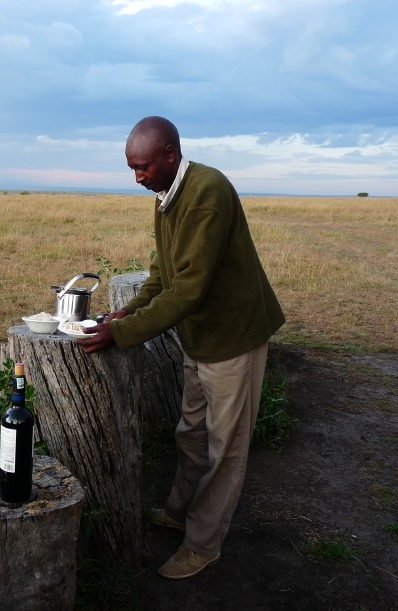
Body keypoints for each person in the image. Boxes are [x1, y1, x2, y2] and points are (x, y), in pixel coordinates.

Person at [78, 116, 285, 579]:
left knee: (225, 448)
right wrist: (125, 313)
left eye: (143, 166)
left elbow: (188, 289)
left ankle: (202, 544)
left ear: (170, 153)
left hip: (233, 338)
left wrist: (121, 334)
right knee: (190, 434)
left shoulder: (206, 193)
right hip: (200, 338)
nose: (138, 177)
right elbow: (164, 273)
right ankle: (178, 511)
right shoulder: (168, 194)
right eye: (132, 168)